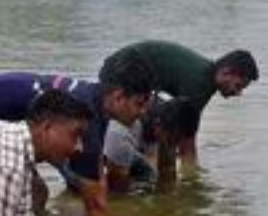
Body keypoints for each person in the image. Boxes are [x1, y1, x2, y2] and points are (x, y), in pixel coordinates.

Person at [0, 54, 153, 216]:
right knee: (25, 197)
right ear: (117, 97)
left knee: (37, 194)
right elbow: (96, 204)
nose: (143, 112)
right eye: (139, 104)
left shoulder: (94, 101)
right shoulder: (86, 121)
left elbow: (96, 177)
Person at [99, 40, 259, 162]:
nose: (238, 93)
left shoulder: (205, 75)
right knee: (160, 127)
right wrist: (195, 181)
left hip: (125, 70)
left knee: (164, 124)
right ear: (226, 72)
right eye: (238, 86)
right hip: (120, 73)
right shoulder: (199, 84)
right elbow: (187, 144)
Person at [105, 97, 200, 193]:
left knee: (149, 175)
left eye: (177, 142)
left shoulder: (170, 119)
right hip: (104, 144)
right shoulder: (123, 131)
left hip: (132, 147)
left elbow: (167, 173)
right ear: (158, 125)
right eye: (173, 140)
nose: (175, 147)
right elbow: (117, 187)